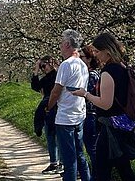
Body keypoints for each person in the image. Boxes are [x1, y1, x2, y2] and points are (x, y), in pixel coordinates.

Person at [73, 33, 135, 181]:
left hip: (110, 126)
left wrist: (86, 94)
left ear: (106, 50)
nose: (95, 55)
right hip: (124, 123)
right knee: (123, 168)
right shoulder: (123, 67)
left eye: (97, 51)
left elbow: (106, 103)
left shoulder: (108, 72)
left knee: (102, 169)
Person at [46, 29, 91, 181]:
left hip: (65, 116)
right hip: (80, 113)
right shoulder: (83, 65)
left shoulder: (66, 65)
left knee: (68, 158)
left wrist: (48, 107)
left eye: (61, 43)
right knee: (79, 154)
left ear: (66, 44)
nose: (59, 46)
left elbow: (56, 91)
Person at [31, 55, 62, 174]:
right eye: (42, 67)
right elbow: (35, 87)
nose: (44, 68)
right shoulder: (46, 77)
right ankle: (54, 162)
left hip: (57, 108)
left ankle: (62, 163)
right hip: (48, 109)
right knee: (50, 136)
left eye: (45, 65)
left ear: (51, 63)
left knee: (58, 137)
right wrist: (36, 70)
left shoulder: (58, 74)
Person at [79, 45, 100, 179]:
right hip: (88, 116)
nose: (79, 59)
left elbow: (86, 95)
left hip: (90, 116)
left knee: (92, 150)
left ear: (89, 59)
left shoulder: (92, 75)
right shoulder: (89, 74)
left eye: (81, 57)